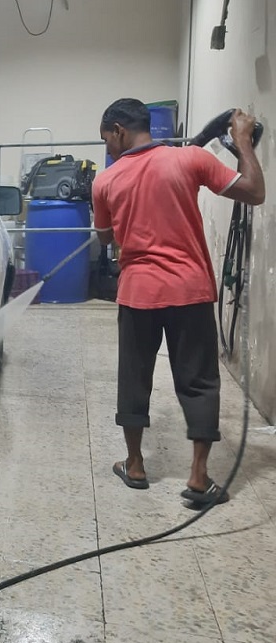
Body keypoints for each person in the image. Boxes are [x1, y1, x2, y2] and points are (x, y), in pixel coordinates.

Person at [92, 99, 264, 506]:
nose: (108, 149)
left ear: (118, 131)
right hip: (190, 291)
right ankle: (199, 477)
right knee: (199, 381)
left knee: (134, 378)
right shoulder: (190, 160)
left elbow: (104, 237)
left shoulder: (106, 181)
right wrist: (243, 142)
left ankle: (135, 465)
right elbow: (254, 192)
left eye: (107, 140)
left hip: (138, 293)